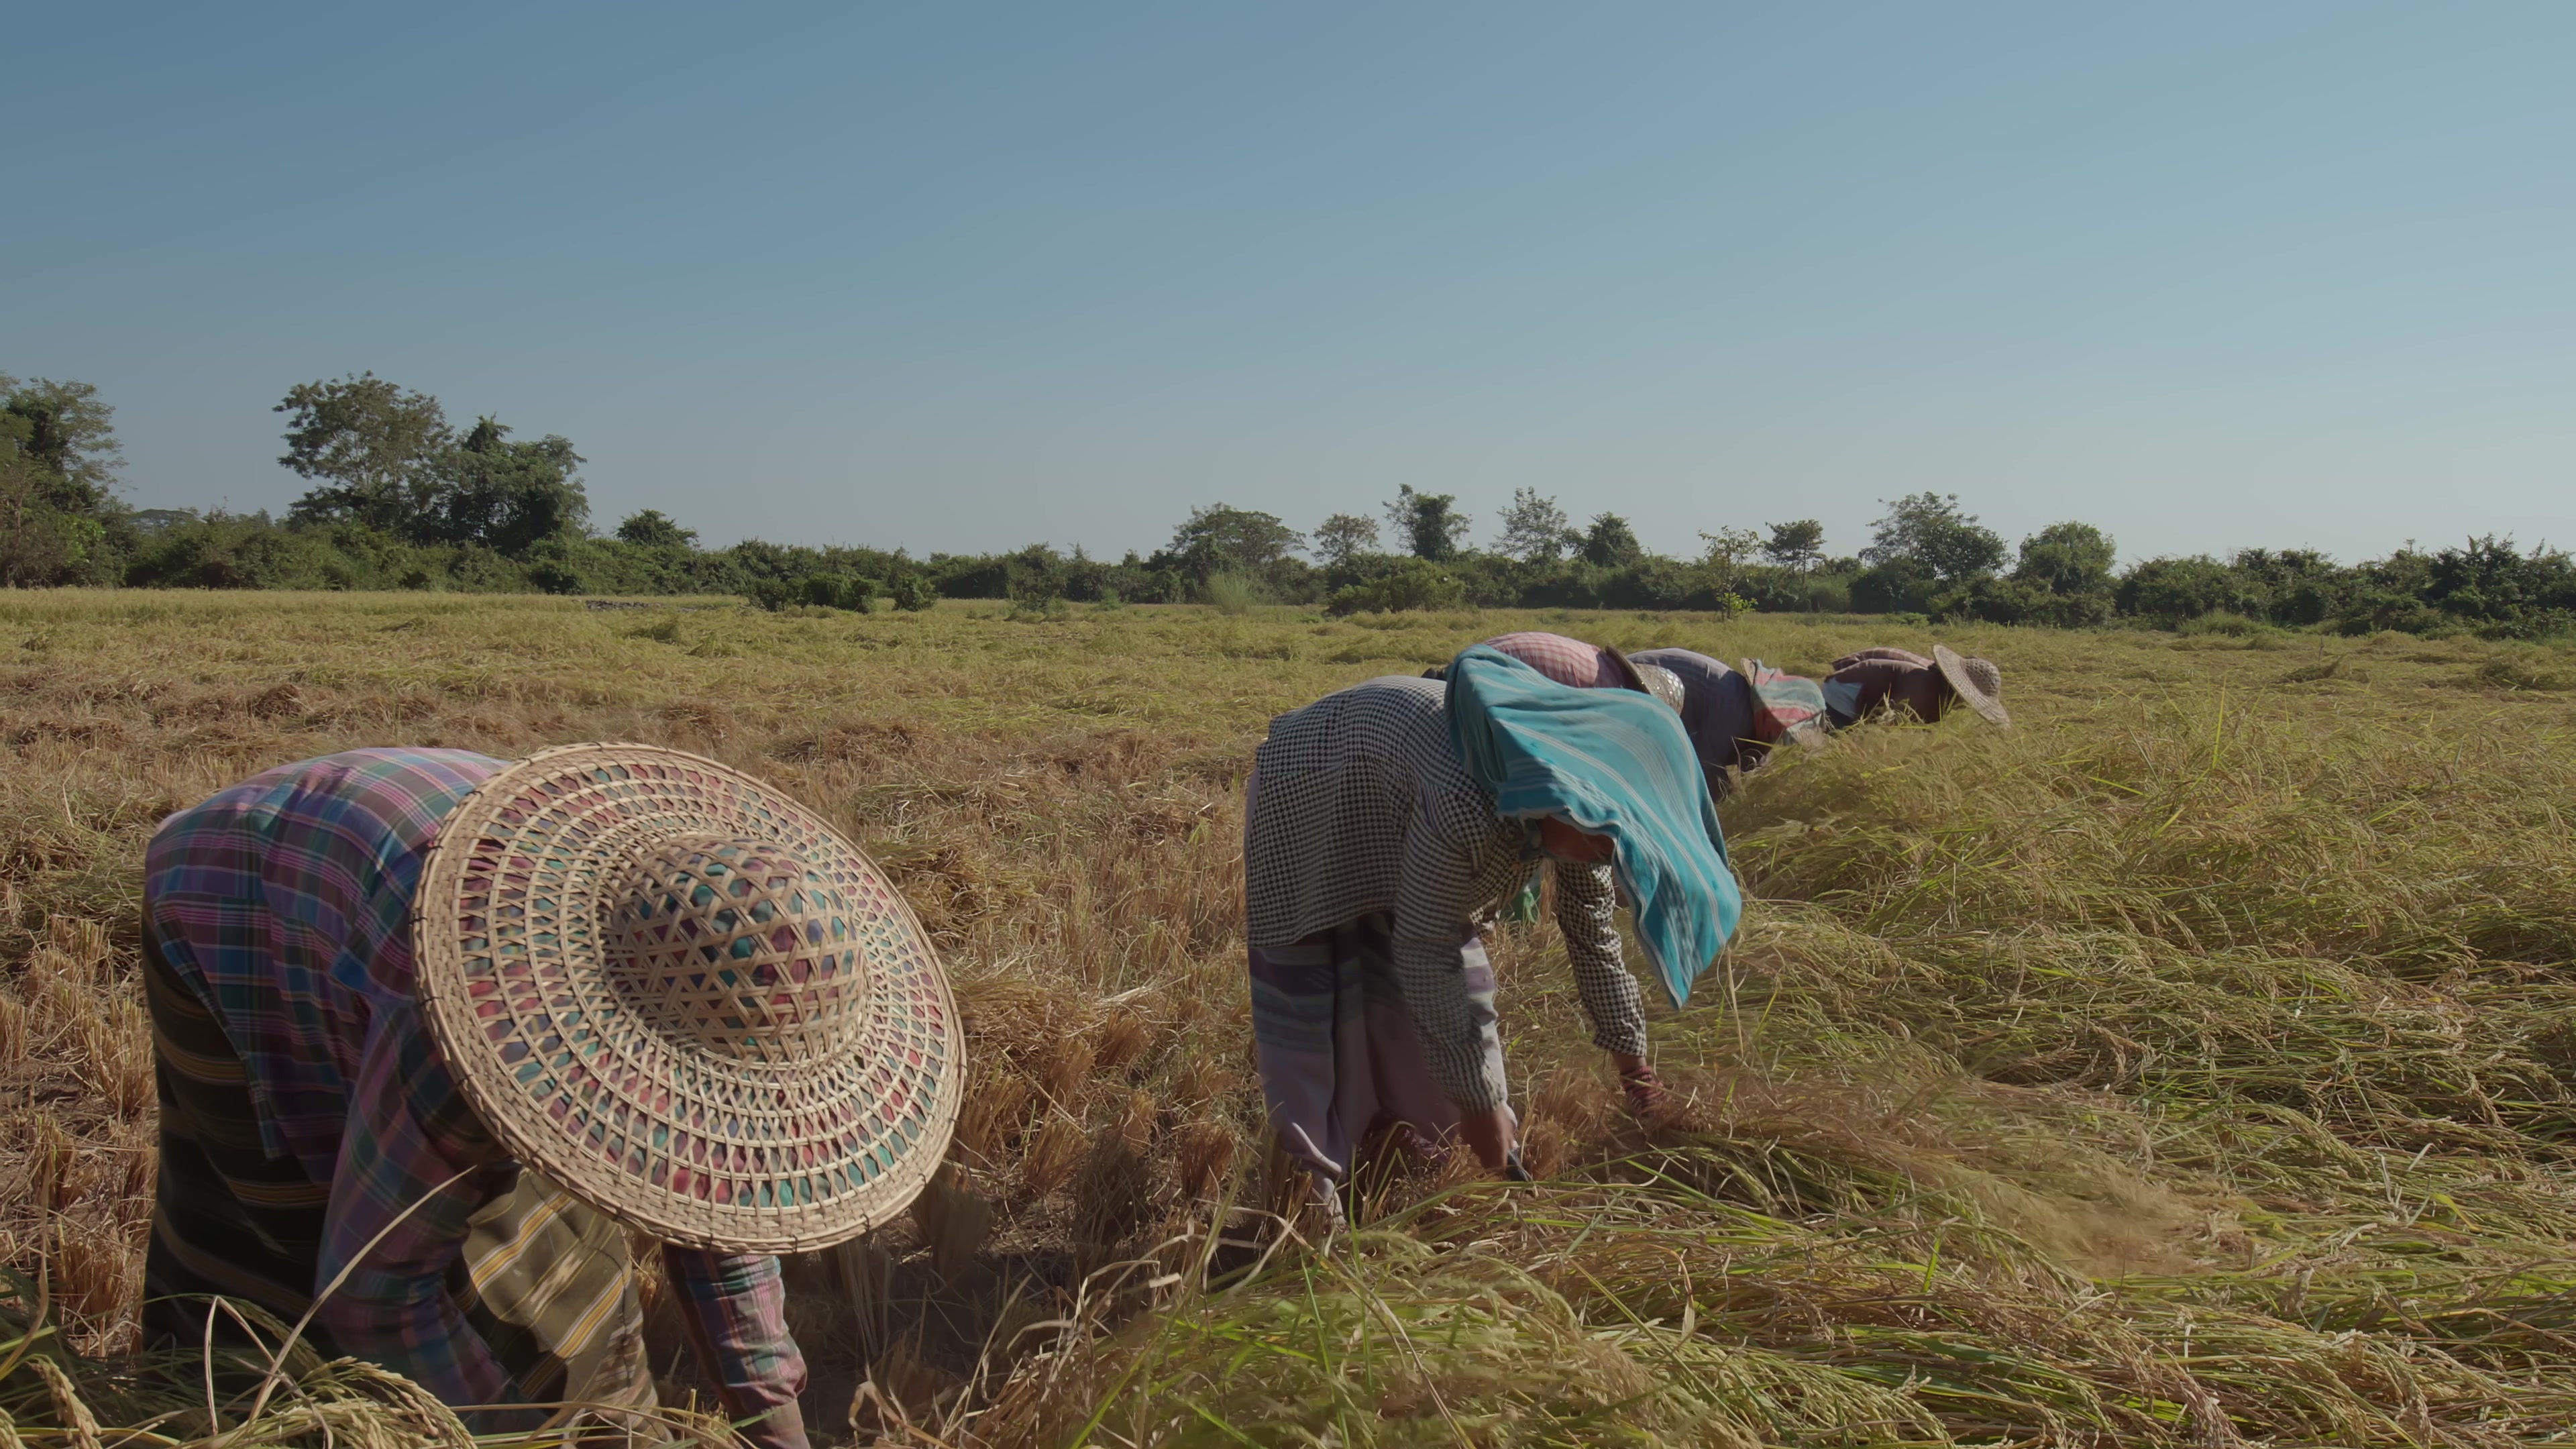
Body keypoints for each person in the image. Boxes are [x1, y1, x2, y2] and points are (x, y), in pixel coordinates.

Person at [140, 744, 965, 1447]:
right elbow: (372, 1293)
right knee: (294, 1244)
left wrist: (769, 1417)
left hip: (416, 862)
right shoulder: (460, 1015)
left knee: (565, 1232)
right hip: (242, 888)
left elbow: (719, 1205)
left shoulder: (694, 975)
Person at [1244, 644, 1739, 1210]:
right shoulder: (1470, 802)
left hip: (1396, 790)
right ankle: (1308, 1206)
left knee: (1423, 1017)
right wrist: (1482, 1108)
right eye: (1600, 839)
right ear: (1555, 792)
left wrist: (1638, 1075)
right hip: (1312, 788)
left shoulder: (1584, 815)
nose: (1603, 853)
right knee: (1315, 1000)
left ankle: (1407, 1160)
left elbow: (1593, 937)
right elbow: (1428, 952)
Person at [1628, 643, 2008, 800]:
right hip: (1641, 682)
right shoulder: (1924, 689)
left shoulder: (1751, 718)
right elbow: (1705, 769)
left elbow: (1750, 753)